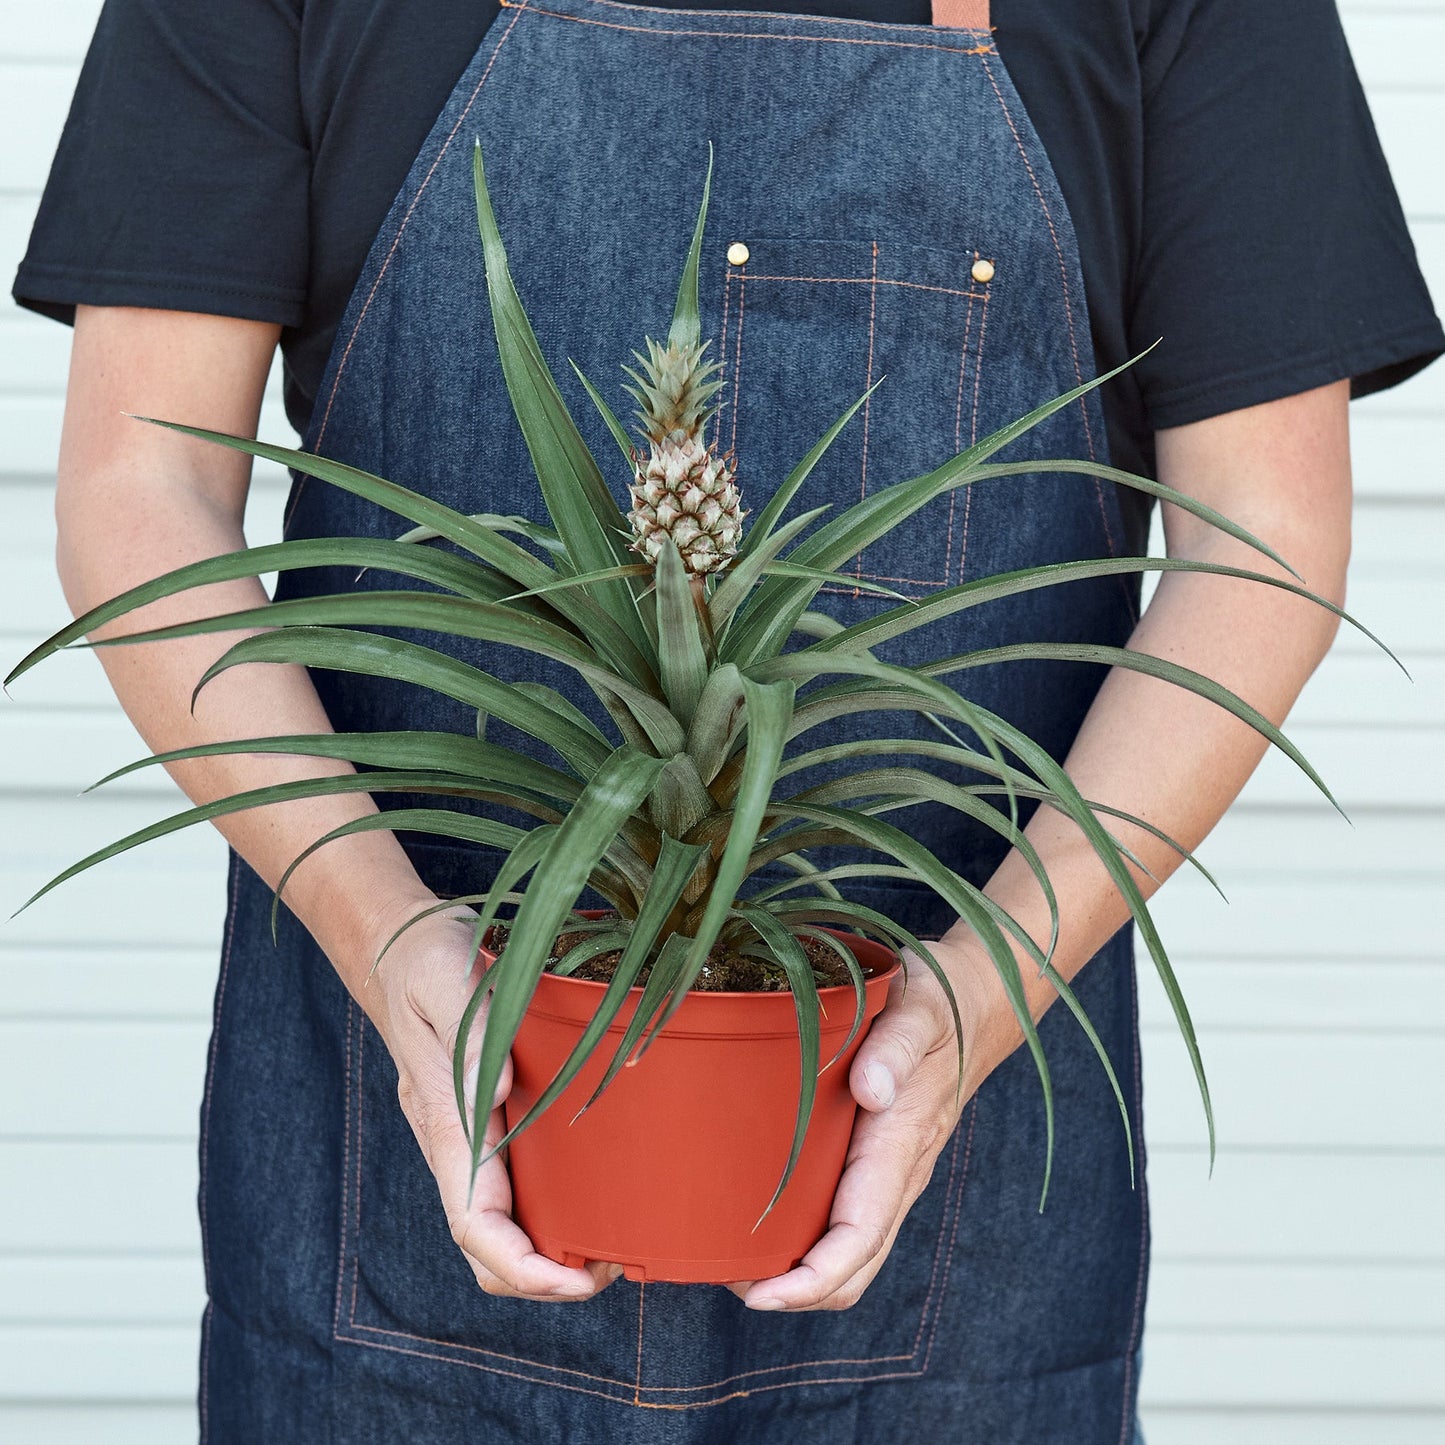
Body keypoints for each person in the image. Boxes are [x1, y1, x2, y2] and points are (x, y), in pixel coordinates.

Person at [14, 0, 1442, 1441]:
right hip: (403, 1132)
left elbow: (1259, 537)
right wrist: (384, 937)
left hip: (959, 1153)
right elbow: (145, 492)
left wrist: (974, 996)